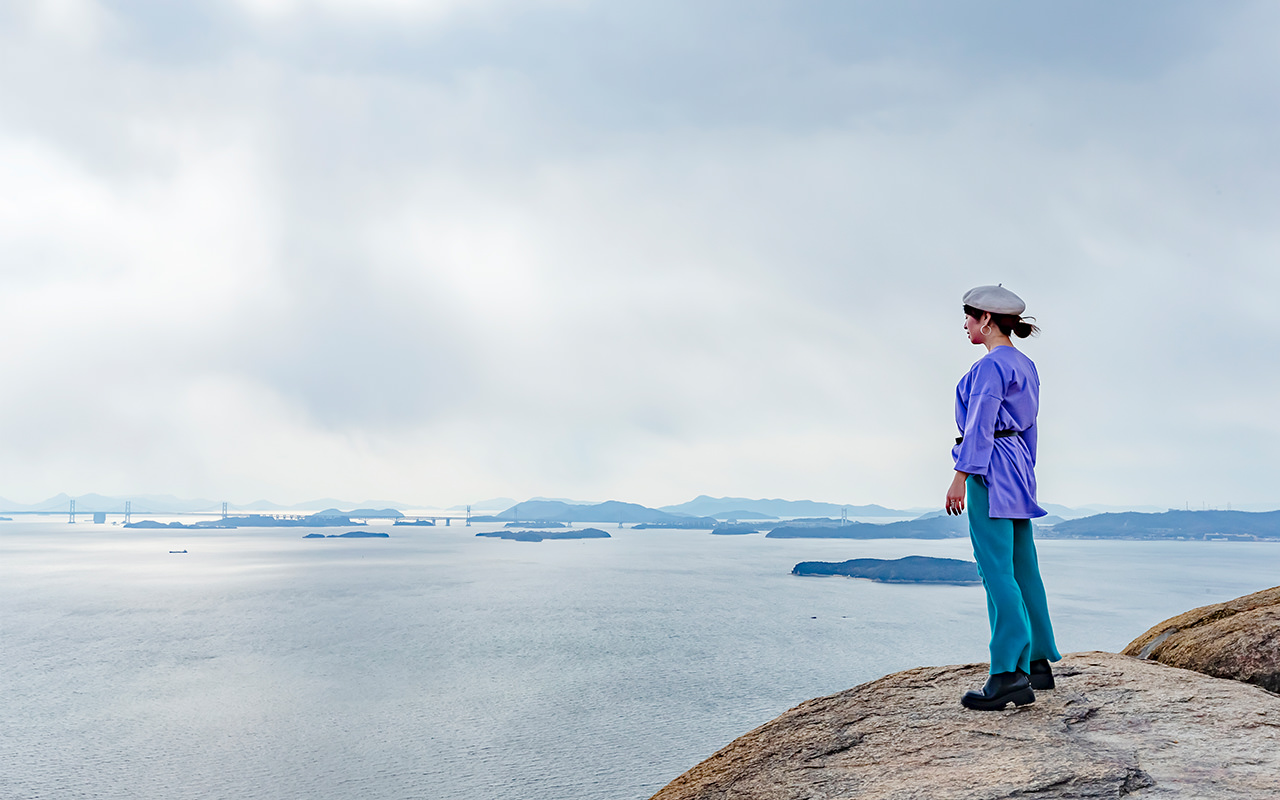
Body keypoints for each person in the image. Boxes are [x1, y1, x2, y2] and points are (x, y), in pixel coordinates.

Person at [945, 284, 1061, 711]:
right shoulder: (1026, 364)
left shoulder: (991, 367)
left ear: (987, 320)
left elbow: (979, 423)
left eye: (970, 318)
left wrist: (962, 475)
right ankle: (1037, 663)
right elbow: (1030, 429)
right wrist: (1025, 473)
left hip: (989, 467)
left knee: (995, 570)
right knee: (1023, 567)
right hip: (1017, 467)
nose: (965, 325)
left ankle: (1007, 675)